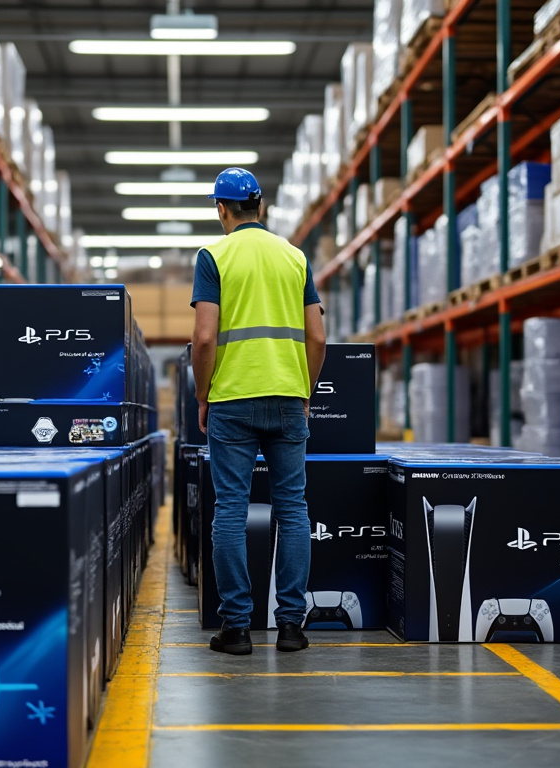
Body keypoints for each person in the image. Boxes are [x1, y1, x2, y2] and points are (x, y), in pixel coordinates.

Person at [190, 167, 326, 655]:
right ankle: (290, 627)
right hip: (289, 397)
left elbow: (204, 337)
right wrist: (305, 392)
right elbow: (317, 337)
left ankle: (237, 629)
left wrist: (202, 396)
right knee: (293, 509)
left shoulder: (214, 256)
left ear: (220, 209)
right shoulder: (294, 257)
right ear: (260, 206)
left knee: (231, 508)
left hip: (232, 400)